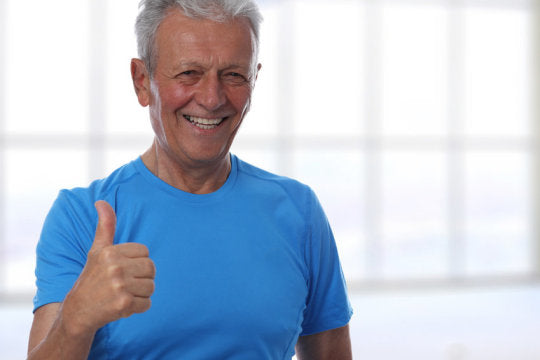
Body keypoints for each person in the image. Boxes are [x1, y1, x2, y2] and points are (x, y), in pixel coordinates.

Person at [27, 0, 353, 358]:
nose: (212, 99)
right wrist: (76, 318)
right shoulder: (81, 216)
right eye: (188, 73)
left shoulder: (299, 212)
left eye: (233, 74)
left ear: (254, 80)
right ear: (141, 82)